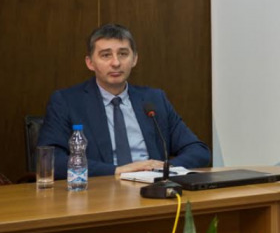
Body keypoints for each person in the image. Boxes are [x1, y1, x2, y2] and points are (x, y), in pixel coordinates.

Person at [37, 24, 210, 179]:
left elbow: (199, 151)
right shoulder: (67, 101)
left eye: (123, 54)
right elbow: (50, 160)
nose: (116, 63)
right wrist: (117, 171)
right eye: (106, 55)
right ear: (90, 63)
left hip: (153, 188)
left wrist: (162, 169)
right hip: (100, 191)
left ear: (134, 59)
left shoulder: (154, 100)